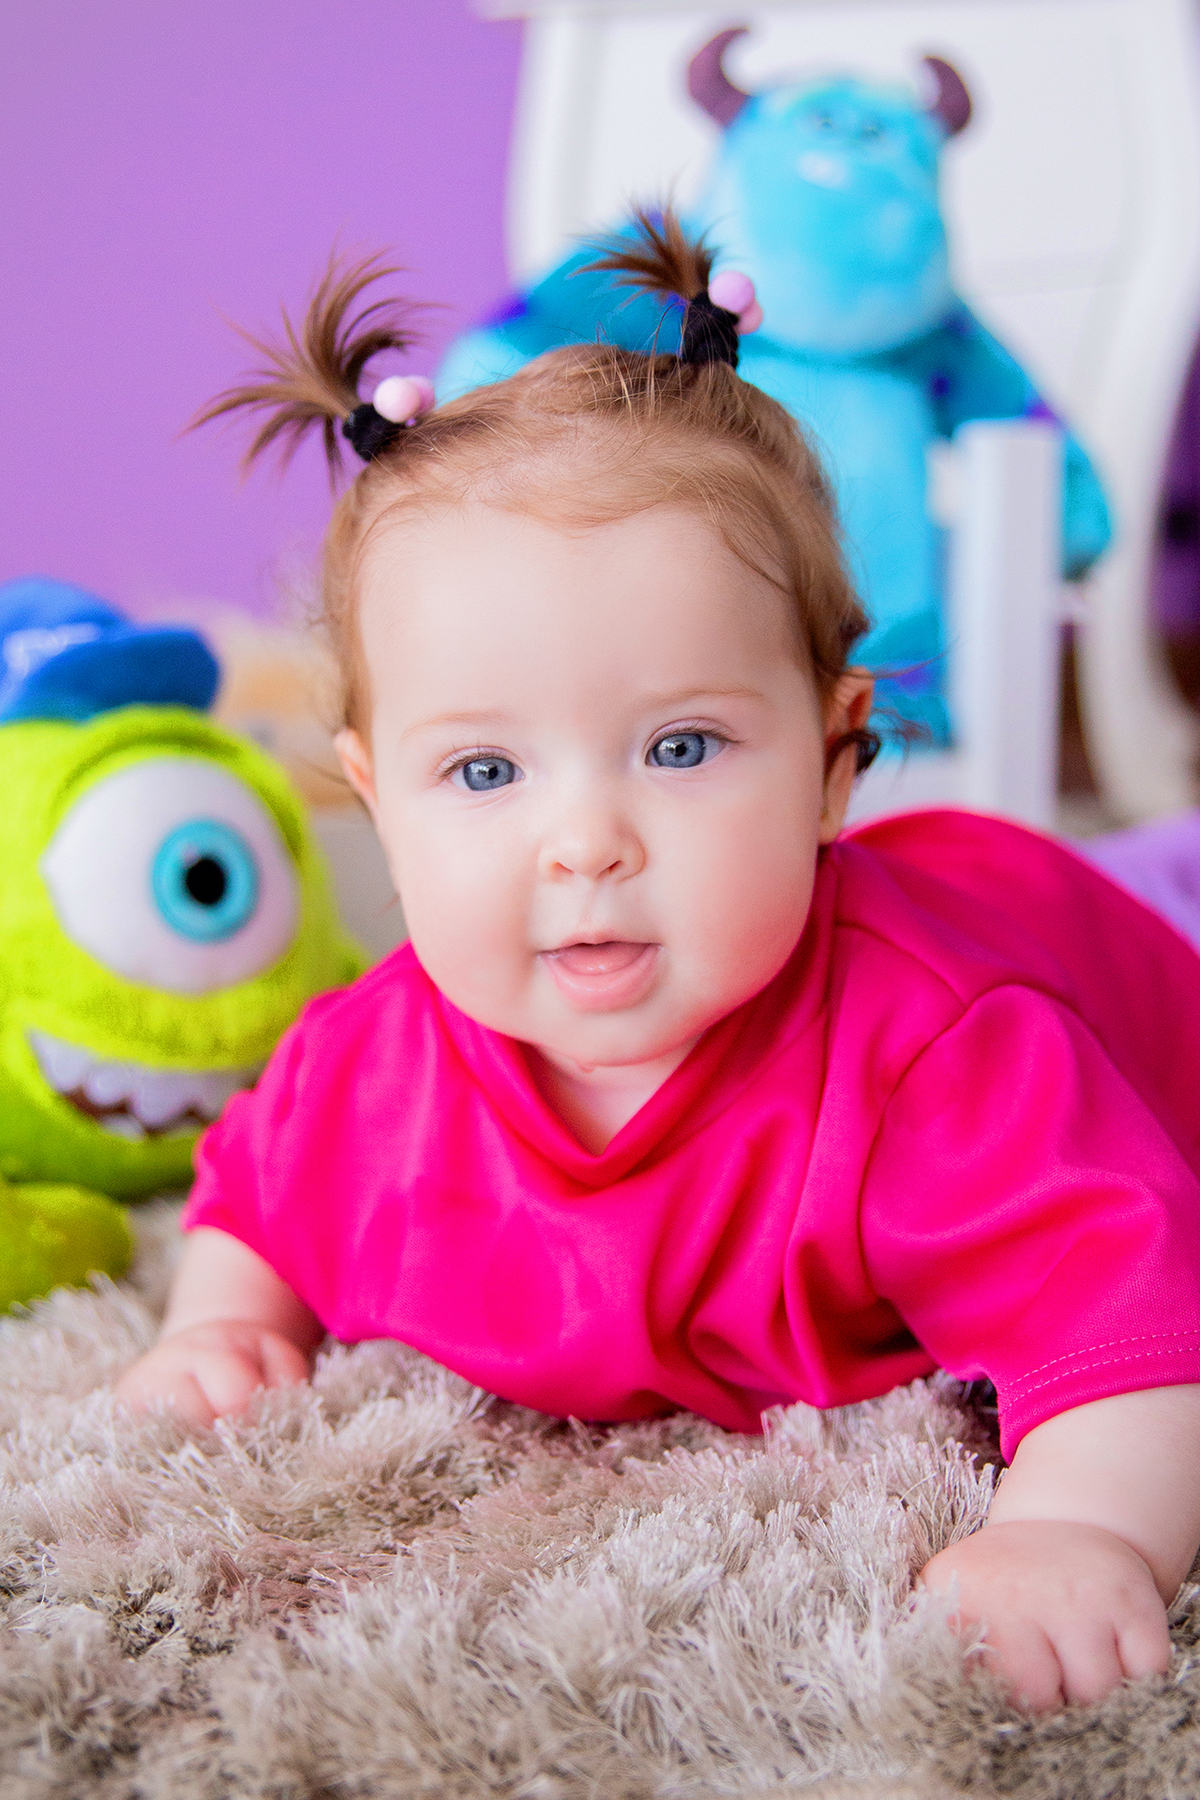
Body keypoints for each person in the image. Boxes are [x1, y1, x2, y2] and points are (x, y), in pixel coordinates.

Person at [115, 215, 1200, 1714]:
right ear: (374, 798)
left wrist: (1084, 1526)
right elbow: (254, 1187)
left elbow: (1135, 1318)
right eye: (485, 772)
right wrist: (222, 1320)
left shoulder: (948, 1057)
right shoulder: (369, 1069)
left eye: (680, 747)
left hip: (1075, 947)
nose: (585, 844)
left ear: (831, 764)